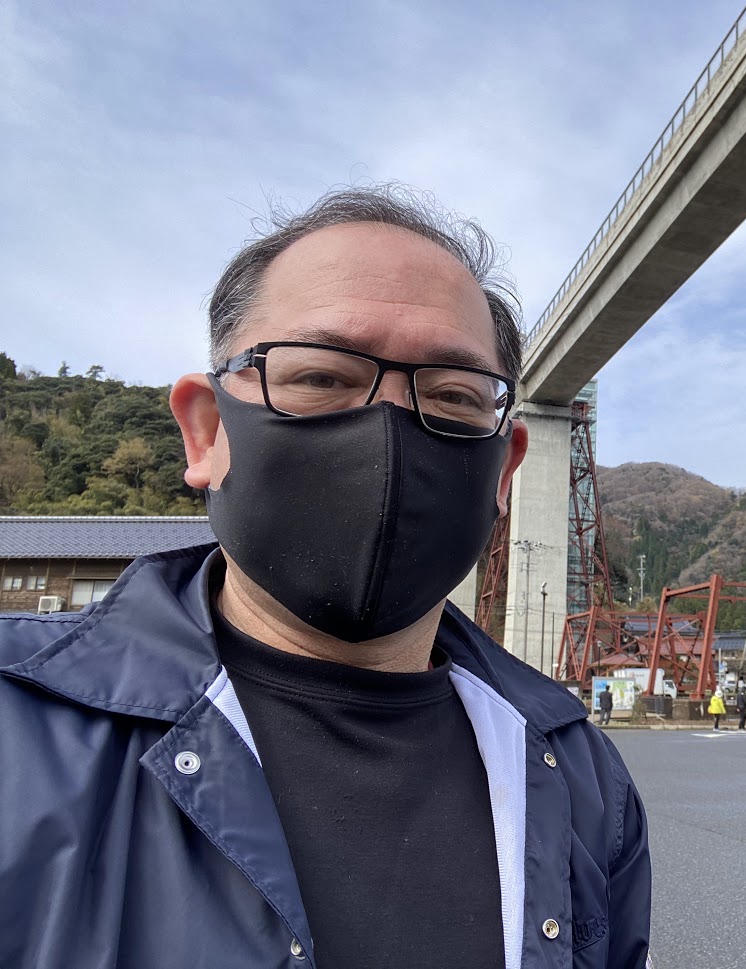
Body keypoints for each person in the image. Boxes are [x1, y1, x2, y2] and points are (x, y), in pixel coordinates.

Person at [0, 184, 652, 969]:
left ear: (504, 469)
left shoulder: (579, 774)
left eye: (451, 394)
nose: (388, 430)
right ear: (205, 431)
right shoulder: (23, 731)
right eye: (318, 377)